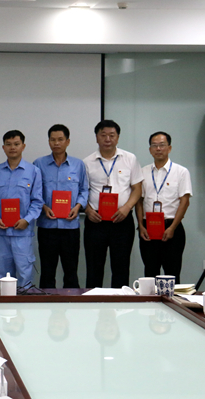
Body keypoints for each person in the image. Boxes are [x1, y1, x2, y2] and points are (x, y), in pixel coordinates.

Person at [83, 120, 143, 288]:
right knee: (94, 268)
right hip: (96, 221)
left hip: (122, 220)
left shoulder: (130, 159)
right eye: (103, 135)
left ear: (118, 137)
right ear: (96, 137)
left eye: (112, 135)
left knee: (121, 267)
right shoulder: (87, 162)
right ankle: (94, 302)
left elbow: (137, 189)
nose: (107, 139)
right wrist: (87, 210)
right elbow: (81, 191)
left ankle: (119, 301)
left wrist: (127, 207)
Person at [33, 124, 89, 289]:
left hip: (70, 227)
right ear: (48, 141)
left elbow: (84, 190)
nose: (56, 143)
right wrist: (44, 207)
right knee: (47, 272)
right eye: (53, 140)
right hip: (47, 226)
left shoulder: (78, 165)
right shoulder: (39, 164)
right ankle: (46, 302)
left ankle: (71, 303)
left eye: (60, 139)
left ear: (67, 141)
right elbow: (34, 192)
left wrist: (78, 206)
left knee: (71, 272)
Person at [135, 131, 192, 283]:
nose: (158, 148)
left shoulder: (181, 172)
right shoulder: (142, 172)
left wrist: (172, 227)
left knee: (172, 274)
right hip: (148, 228)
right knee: (150, 273)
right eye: (154, 145)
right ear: (150, 149)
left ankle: (171, 299)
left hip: (171, 227)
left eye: (162, 145)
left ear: (169, 148)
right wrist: (140, 225)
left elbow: (185, 201)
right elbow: (139, 201)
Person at [0, 130, 43, 288]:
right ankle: (5, 304)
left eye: (16, 144)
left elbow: (37, 201)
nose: (12, 147)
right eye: (8, 144)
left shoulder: (33, 171)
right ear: (3, 147)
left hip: (23, 233)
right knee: (4, 275)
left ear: (23, 146)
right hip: (2, 232)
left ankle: (24, 302)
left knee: (24, 274)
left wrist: (26, 220)